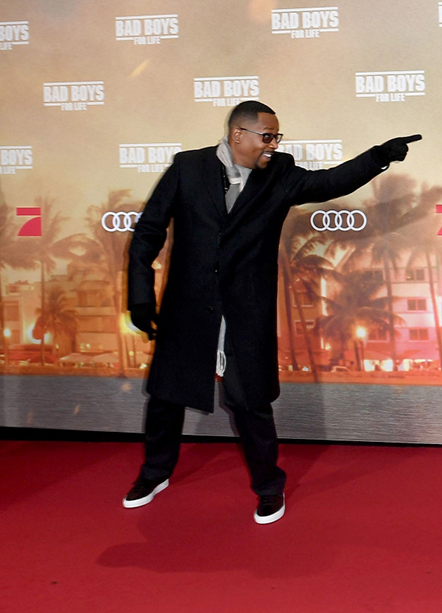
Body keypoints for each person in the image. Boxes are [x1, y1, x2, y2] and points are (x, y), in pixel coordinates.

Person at [125, 100, 420, 524]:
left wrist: (377, 157)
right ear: (238, 134)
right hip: (188, 306)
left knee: (252, 403)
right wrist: (140, 294)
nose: (274, 144)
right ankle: (154, 474)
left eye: (277, 137)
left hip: (246, 310)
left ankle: (268, 487)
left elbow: (329, 182)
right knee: (166, 397)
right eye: (267, 136)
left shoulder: (280, 173)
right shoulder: (188, 168)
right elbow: (149, 230)